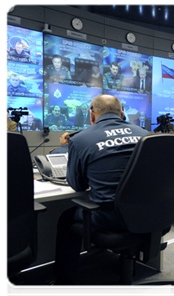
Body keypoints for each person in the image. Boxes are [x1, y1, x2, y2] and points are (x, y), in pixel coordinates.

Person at [45, 95, 149, 295]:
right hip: (149, 215)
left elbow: (77, 185)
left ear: (91, 115)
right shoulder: (146, 134)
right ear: (122, 114)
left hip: (109, 219)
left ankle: (63, 282)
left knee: (66, 218)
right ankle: (130, 267)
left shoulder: (80, 139)